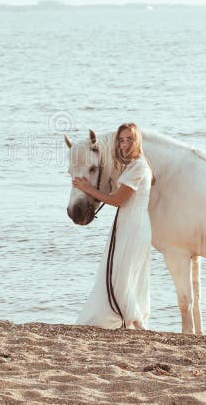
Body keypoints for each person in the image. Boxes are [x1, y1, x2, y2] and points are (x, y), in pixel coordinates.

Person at [71, 122, 154, 330]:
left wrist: (88, 188)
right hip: (131, 223)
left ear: (137, 141)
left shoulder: (137, 167)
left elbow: (118, 200)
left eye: (129, 139)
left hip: (132, 226)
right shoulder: (138, 165)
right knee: (125, 272)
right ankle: (132, 319)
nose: (124, 144)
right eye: (121, 140)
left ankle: (134, 320)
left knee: (122, 273)